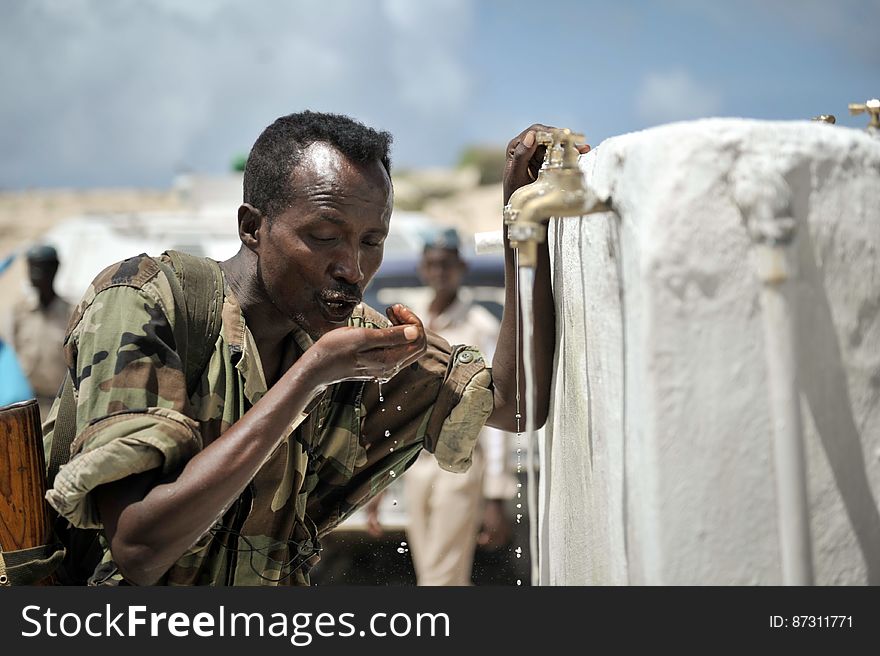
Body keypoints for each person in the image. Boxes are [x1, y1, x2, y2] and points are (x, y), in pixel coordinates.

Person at [44, 111, 583, 586]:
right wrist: (309, 377)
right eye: (325, 237)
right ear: (253, 228)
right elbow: (139, 547)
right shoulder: (143, 301)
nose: (352, 268)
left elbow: (517, 403)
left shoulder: (348, 337)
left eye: (372, 241)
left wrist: (522, 222)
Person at [366, 227, 517, 585]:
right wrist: (379, 479)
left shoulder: (479, 326)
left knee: (444, 575)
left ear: (461, 268)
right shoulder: (409, 322)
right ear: (423, 268)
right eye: (432, 264)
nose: (439, 273)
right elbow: (394, 402)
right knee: (429, 572)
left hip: (460, 463)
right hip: (416, 461)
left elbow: (494, 410)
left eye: (446, 265)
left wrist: (496, 493)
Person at [3, 244, 72, 421]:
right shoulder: (20, 313)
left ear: (54, 269)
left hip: (59, 408)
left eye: (41, 267)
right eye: (31, 267)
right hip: (23, 406)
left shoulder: (71, 314)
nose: (35, 273)